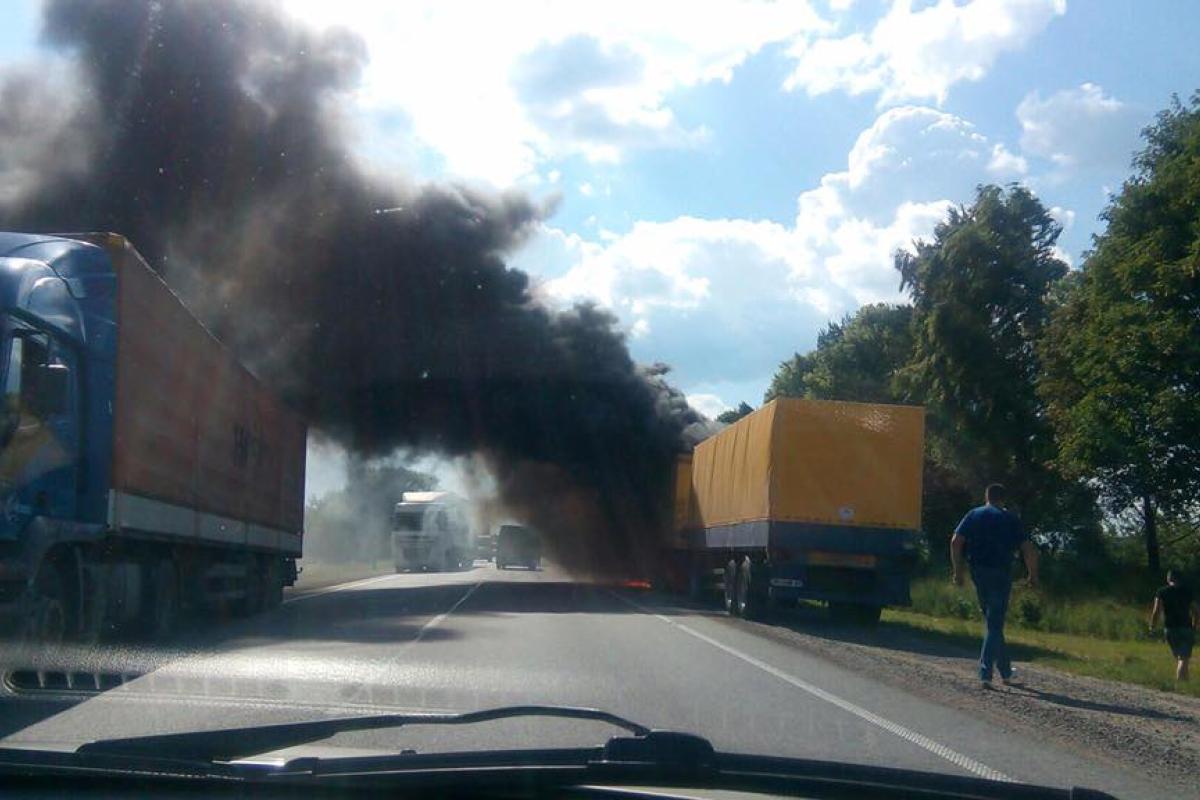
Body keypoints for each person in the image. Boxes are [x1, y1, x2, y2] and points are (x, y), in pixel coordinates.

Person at [950, 483, 1039, 689]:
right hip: (1001, 573)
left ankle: (1006, 672)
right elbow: (1028, 549)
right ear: (1002, 499)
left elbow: (956, 541)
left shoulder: (974, 514)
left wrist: (958, 571)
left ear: (986, 497)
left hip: (978, 571)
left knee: (993, 622)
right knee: (995, 622)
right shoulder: (1010, 518)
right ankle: (985, 673)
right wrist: (1033, 575)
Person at [1148, 570, 1198, 682]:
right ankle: (1180, 684)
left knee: (1181, 658)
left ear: (1169, 578)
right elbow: (1196, 611)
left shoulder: (1162, 592)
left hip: (1170, 629)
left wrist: (1152, 626)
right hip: (1186, 627)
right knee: (1183, 658)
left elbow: (1156, 611)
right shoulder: (1187, 592)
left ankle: (1185, 684)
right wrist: (1195, 626)